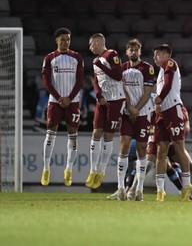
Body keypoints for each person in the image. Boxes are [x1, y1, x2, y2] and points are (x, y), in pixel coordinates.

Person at [40, 27, 84, 187]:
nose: (65, 42)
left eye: (68, 39)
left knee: (73, 135)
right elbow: (46, 81)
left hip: (72, 102)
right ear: (56, 40)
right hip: (55, 102)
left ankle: (69, 169)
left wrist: (69, 98)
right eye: (62, 39)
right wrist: (59, 98)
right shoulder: (49, 58)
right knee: (50, 134)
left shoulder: (77, 57)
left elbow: (80, 81)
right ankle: (46, 169)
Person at [152, 44, 192, 202]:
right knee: (161, 151)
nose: (155, 57)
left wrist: (159, 98)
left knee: (179, 148)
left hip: (174, 110)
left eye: (157, 54)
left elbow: (168, 85)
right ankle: (160, 190)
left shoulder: (170, 64)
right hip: (162, 114)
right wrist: (157, 105)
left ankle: (186, 186)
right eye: (154, 55)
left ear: (166, 55)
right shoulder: (161, 72)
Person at [116, 38, 155, 201]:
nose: (133, 52)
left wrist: (136, 109)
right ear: (126, 52)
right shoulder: (121, 69)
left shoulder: (147, 68)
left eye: (136, 49)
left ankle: (139, 190)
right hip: (127, 113)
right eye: (130, 49)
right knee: (123, 147)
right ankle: (120, 189)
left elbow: (147, 92)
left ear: (140, 51)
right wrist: (129, 107)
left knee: (141, 149)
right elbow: (121, 90)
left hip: (143, 113)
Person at [85, 33, 125, 189]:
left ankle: (101, 171)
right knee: (96, 133)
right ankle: (93, 170)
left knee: (108, 135)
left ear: (97, 42)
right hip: (102, 100)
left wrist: (100, 65)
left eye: (91, 44)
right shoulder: (96, 61)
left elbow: (117, 75)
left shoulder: (111, 54)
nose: (90, 48)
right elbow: (96, 81)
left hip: (116, 99)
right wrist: (98, 95)